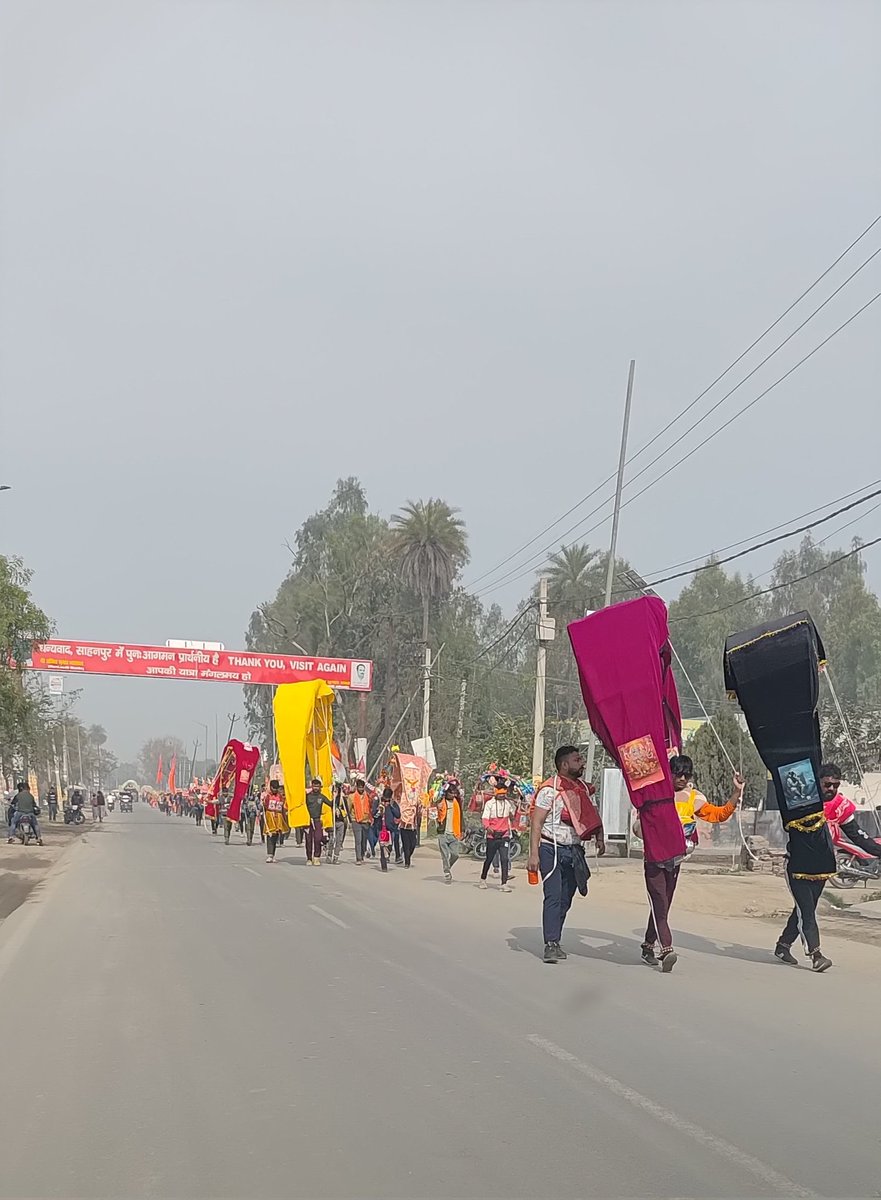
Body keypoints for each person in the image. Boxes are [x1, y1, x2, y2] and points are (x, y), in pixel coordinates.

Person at [635, 757, 743, 968]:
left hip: (675, 861)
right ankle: (666, 949)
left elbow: (718, 815)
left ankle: (648, 944)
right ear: (669, 773)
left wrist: (736, 793)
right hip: (654, 859)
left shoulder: (693, 798)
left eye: (686, 775)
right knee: (659, 902)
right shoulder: (654, 794)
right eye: (678, 774)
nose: (682, 779)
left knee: (663, 906)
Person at [527, 747, 604, 964]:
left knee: (565, 899)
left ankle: (555, 938)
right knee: (553, 895)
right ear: (564, 765)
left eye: (581, 759)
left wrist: (600, 837)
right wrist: (534, 854)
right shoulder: (549, 790)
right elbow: (537, 822)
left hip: (574, 850)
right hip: (551, 847)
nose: (582, 763)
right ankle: (550, 944)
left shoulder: (582, 789)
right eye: (577, 760)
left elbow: (593, 815)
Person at [478, 784, 517, 891]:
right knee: (489, 859)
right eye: (500, 794)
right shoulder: (489, 804)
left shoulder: (508, 803)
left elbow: (512, 816)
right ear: (496, 793)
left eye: (504, 794)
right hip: (492, 835)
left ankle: (504, 883)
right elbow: (485, 818)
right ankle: (483, 879)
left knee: (505, 859)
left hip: (504, 835)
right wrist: (487, 827)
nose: (502, 796)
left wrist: (512, 817)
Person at [436, 780, 463, 883]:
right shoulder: (441, 802)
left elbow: (461, 817)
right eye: (451, 793)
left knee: (455, 854)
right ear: (446, 793)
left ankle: (447, 867)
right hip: (443, 833)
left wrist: (462, 829)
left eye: (454, 793)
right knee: (445, 855)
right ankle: (447, 873)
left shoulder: (457, 803)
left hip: (454, 833)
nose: (453, 795)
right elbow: (434, 809)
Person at [305, 778, 332, 865]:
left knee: (318, 839)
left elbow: (331, 804)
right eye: (314, 786)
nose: (316, 788)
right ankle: (309, 858)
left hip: (317, 821)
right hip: (308, 821)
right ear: (312, 786)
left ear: (320, 787)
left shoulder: (321, 797)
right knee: (309, 840)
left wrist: (337, 794)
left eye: (317, 786)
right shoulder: (307, 796)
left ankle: (316, 857)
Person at [7, 781, 43, 845]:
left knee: (13, 822)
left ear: (21, 788)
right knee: (35, 824)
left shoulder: (18, 795)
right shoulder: (31, 796)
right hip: (30, 813)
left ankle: (11, 837)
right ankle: (39, 838)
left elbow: (13, 803)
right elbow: (34, 804)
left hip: (20, 812)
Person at [349, 777, 373, 864]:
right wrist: (350, 819)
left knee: (363, 840)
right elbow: (348, 809)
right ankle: (358, 858)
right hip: (356, 820)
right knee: (358, 840)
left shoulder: (367, 796)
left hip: (365, 821)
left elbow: (371, 807)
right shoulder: (352, 797)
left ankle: (362, 854)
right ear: (356, 787)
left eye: (362, 787)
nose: (361, 789)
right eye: (359, 787)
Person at [263, 780, 288, 863]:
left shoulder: (281, 797)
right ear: (270, 787)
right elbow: (265, 806)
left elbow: (284, 808)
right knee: (270, 835)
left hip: (278, 818)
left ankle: (273, 854)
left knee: (275, 837)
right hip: (270, 817)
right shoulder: (267, 796)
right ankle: (269, 854)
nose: (274, 790)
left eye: (276, 788)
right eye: (273, 788)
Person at [378, 787, 401, 872]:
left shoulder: (393, 804)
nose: (386, 801)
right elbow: (374, 814)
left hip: (391, 829)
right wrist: (379, 811)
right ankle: (384, 865)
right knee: (382, 846)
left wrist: (391, 806)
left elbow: (398, 815)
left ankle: (387, 854)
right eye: (385, 799)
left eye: (388, 799)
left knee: (389, 846)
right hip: (381, 828)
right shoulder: (379, 803)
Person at [327, 783, 350, 864]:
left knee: (338, 841)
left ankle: (336, 857)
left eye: (338, 790)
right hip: (332, 822)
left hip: (341, 822)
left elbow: (347, 810)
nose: (336, 791)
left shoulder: (342, 799)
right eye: (335, 790)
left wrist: (349, 821)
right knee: (332, 840)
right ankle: (329, 855)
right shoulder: (330, 799)